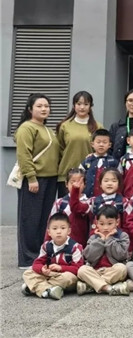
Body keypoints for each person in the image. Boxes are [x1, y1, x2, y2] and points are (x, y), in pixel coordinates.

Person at [15, 93, 61, 268]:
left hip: (50, 179)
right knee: (30, 219)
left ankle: (40, 255)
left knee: (44, 219)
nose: (44, 109)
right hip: (35, 180)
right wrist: (31, 178)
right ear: (30, 109)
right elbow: (24, 154)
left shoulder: (47, 129)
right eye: (39, 106)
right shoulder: (26, 128)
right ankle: (27, 258)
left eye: (46, 106)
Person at [21, 212, 83, 300]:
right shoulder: (46, 246)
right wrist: (42, 269)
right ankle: (49, 290)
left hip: (65, 275)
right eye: (55, 228)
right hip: (50, 274)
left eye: (63, 228)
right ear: (49, 232)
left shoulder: (75, 247)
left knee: (68, 278)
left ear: (69, 231)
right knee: (27, 273)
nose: (59, 231)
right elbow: (36, 263)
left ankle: (37, 287)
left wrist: (61, 268)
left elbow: (78, 269)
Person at [56, 91, 102, 197]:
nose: (82, 107)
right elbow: (59, 149)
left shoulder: (97, 127)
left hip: (89, 175)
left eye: (86, 104)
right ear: (74, 105)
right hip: (67, 174)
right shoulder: (64, 126)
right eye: (79, 104)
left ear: (90, 106)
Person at [77, 205, 130, 296]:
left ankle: (91, 285)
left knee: (122, 268)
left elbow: (120, 255)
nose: (105, 228)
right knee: (82, 270)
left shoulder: (122, 236)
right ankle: (108, 288)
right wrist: (100, 240)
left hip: (112, 270)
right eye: (102, 224)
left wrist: (109, 239)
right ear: (97, 223)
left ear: (117, 222)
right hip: (96, 271)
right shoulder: (93, 238)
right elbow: (89, 257)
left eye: (109, 224)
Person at [70, 168, 126, 237]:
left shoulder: (124, 202)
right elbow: (75, 208)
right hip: (97, 239)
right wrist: (75, 190)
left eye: (114, 181)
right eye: (106, 181)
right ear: (100, 184)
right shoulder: (93, 201)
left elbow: (127, 224)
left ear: (119, 184)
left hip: (116, 240)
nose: (109, 183)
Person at [47, 168, 88, 246]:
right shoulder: (59, 203)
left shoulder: (88, 203)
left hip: (81, 244)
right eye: (72, 182)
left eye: (80, 182)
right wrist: (47, 244)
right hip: (60, 245)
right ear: (66, 184)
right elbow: (50, 224)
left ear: (85, 184)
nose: (76, 185)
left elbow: (76, 207)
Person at [79, 129, 119, 198]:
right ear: (92, 144)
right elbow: (80, 177)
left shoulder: (114, 162)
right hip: (88, 197)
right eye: (98, 142)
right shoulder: (87, 161)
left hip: (108, 198)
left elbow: (120, 179)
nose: (101, 145)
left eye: (104, 142)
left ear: (109, 145)